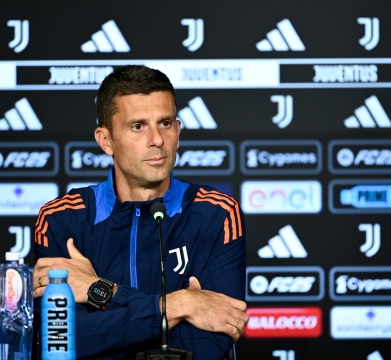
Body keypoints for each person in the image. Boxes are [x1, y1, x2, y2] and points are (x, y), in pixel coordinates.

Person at [32, 65, 248, 359]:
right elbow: (60, 341)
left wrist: (99, 291)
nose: (157, 139)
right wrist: (178, 306)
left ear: (178, 131)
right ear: (105, 140)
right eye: (138, 126)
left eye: (166, 123)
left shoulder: (217, 213)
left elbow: (209, 342)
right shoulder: (61, 219)